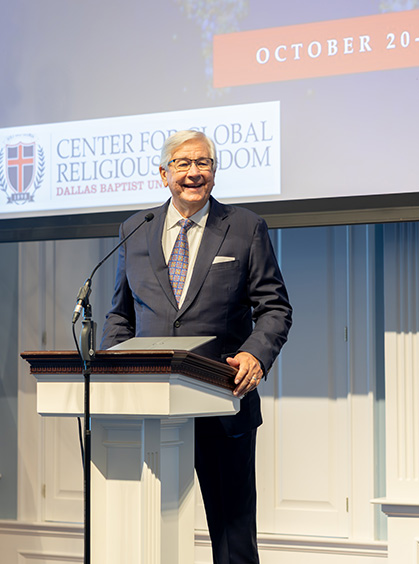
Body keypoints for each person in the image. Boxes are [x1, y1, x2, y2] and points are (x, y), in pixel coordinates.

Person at [101, 129, 292, 563]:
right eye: (183, 164)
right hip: (147, 408)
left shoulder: (245, 227)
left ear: (214, 171)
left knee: (232, 539)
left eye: (203, 163)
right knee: (145, 533)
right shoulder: (136, 229)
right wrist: (113, 365)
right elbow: (119, 315)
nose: (194, 173)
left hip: (222, 402)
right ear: (164, 174)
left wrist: (254, 354)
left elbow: (275, 308)